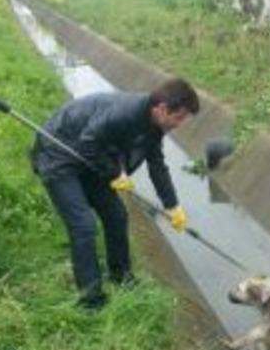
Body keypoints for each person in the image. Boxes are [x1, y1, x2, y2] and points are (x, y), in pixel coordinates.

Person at [31, 78, 199, 310]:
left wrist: (172, 206)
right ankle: (90, 299)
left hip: (91, 158)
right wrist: (115, 173)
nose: (179, 124)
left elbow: (157, 165)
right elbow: (87, 141)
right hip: (59, 154)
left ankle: (121, 278)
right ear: (161, 108)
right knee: (83, 225)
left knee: (117, 216)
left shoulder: (154, 125)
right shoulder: (126, 114)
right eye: (178, 118)